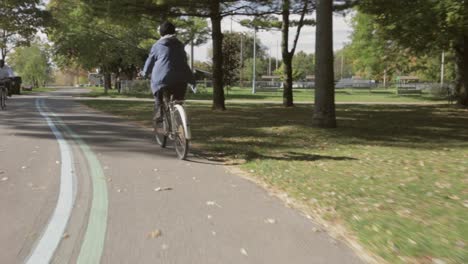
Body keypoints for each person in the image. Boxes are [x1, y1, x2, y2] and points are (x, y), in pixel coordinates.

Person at [141, 21, 195, 123]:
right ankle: (180, 124)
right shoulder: (180, 45)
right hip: (181, 79)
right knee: (178, 102)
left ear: (161, 33)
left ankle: (160, 112)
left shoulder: (157, 45)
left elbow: (149, 62)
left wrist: (144, 73)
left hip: (162, 79)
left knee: (159, 96)